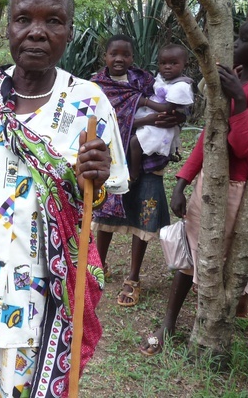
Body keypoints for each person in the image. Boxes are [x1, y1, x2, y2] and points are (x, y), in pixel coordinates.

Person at [0, 0, 128, 398]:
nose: (37, 31)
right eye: (24, 19)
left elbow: (100, 198)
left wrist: (93, 176)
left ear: (70, 32)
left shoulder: (88, 104)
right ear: (8, 28)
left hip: (42, 304)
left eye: (53, 21)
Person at [141, 17, 248, 355]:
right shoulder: (236, 78)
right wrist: (183, 180)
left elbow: (246, 146)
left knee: (213, 259)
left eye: (244, 41)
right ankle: (168, 323)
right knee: (190, 251)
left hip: (235, 189)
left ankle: (208, 329)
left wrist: (237, 98)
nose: (236, 45)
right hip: (212, 182)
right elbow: (211, 135)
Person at [91, 35, 182, 307]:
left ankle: (133, 277)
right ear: (105, 57)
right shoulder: (96, 85)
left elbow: (170, 107)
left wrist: (172, 116)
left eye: (125, 54)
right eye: (113, 54)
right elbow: (102, 119)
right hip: (112, 159)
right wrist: (151, 117)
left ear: (133, 57)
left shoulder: (144, 81)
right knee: (106, 217)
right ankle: (99, 266)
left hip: (147, 160)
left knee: (142, 215)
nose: (119, 59)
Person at [128, 44, 194, 180]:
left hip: (161, 123)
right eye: (163, 63)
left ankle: (133, 173)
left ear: (185, 65)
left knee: (135, 142)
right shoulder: (162, 80)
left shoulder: (181, 86)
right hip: (152, 118)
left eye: (173, 63)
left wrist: (145, 102)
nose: (167, 67)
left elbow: (168, 109)